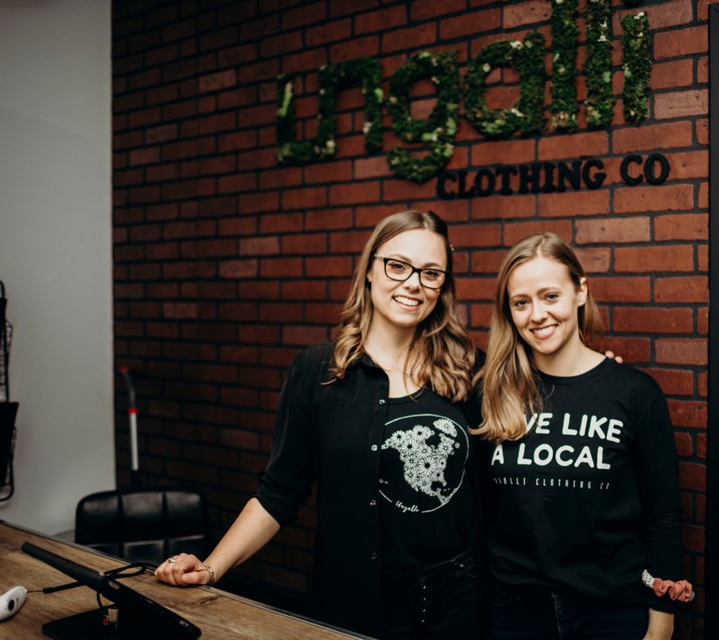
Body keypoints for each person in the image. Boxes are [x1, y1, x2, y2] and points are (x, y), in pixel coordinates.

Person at [155, 210, 482, 639]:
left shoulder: (468, 370)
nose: (413, 283)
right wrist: (212, 567)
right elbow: (279, 492)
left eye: (431, 272)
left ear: (443, 285)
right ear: (369, 269)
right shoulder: (318, 371)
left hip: (456, 608)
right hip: (352, 607)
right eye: (397, 265)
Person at [473, 232, 692, 640]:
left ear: (579, 292)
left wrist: (661, 622)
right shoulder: (488, 393)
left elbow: (661, 515)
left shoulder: (634, 393)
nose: (537, 314)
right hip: (513, 614)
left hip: (610, 613)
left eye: (550, 296)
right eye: (521, 303)